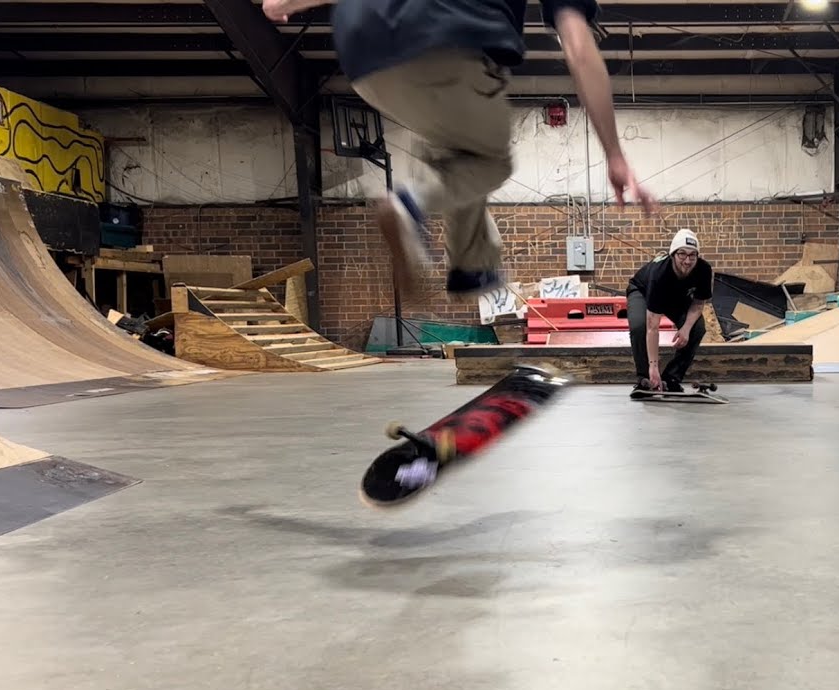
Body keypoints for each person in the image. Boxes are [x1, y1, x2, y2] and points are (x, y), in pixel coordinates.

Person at [262, 0, 657, 296]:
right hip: (447, 44)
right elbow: (579, 49)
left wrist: (286, 3)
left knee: (458, 154)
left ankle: (471, 268)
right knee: (490, 162)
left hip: (363, 54)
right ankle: (409, 206)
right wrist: (614, 155)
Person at [626, 229, 713, 395]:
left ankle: (671, 378)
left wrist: (686, 329)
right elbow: (653, 326)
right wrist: (653, 365)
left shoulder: (703, 270)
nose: (687, 261)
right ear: (673, 254)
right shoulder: (659, 274)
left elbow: (698, 302)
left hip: (676, 297)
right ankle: (646, 379)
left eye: (692, 255)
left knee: (697, 328)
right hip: (642, 291)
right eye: (682, 254)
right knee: (639, 326)